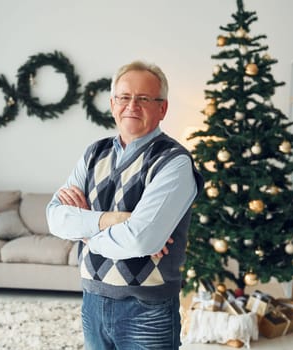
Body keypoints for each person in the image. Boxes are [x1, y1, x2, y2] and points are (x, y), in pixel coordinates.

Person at [46, 60, 203, 349]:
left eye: (144, 98)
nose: (132, 105)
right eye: (125, 97)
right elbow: (55, 218)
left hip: (147, 310)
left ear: (162, 108)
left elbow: (140, 240)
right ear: (112, 103)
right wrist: (114, 220)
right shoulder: (94, 153)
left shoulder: (174, 162)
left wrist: (85, 232)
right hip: (92, 302)